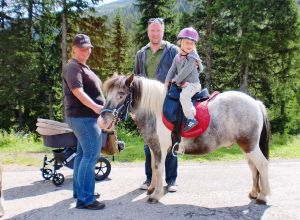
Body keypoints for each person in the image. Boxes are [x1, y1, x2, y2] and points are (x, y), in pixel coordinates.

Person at [134, 18, 179, 192]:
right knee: (148, 143)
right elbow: (136, 79)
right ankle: (149, 179)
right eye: (152, 31)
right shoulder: (141, 53)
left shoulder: (173, 50)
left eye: (158, 31)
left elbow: (180, 72)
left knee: (170, 141)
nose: (155, 34)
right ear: (148, 31)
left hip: (167, 103)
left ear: (163, 31)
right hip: (147, 105)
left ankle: (171, 180)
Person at [63, 34, 106, 210]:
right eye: (81, 48)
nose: (85, 51)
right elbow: (77, 91)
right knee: (91, 156)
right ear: (73, 49)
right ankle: (86, 200)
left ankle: (80, 192)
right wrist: (96, 107)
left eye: (88, 48)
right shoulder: (73, 67)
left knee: (82, 156)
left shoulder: (82, 67)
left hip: (84, 118)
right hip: (84, 118)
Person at [165, 27, 204, 132]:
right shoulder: (177, 57)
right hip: (184, 84)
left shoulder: (192, 57)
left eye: (192, 43)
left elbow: (184, 72)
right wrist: (167, 81)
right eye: (187, 42)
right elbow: (172, 70)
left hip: (193, 85)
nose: (189, 45)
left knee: (184, 96)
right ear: (180, 42)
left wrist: (176, 80)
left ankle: (191, 118)